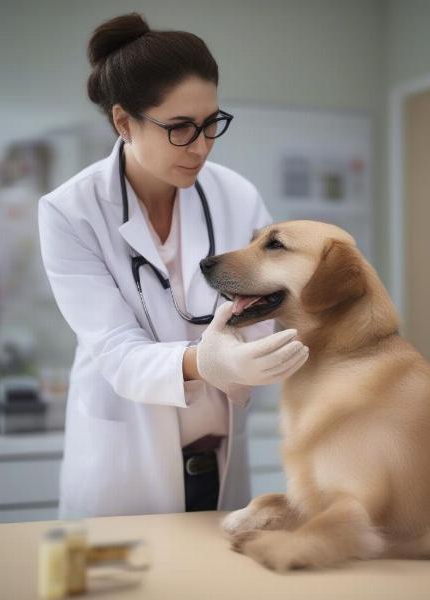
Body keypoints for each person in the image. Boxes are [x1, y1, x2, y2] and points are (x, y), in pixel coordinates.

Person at [37, 12, 308, 519]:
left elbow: (271, 302)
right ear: (124, 122)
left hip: (220, 459)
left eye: (211, 124)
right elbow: (116, 351)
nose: (202, 146)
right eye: (181, 128)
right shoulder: (70, 211)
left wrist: (252, 347)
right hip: (125, 471)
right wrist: (206, 361)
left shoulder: (235, 194)